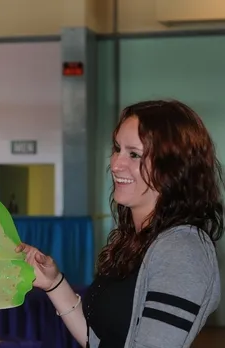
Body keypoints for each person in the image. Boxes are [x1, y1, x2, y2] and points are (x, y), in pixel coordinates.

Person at [17, 100, 222, 348]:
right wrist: (54, 283)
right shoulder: (138, 240)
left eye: (134, 154)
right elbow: (100, 341)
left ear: (172, 168)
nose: (115, 164)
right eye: (117, 148)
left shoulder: (181, 249)